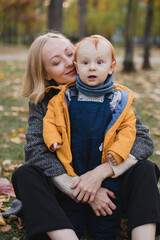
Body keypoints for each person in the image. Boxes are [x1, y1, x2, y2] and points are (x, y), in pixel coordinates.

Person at [11, 32, 160, 240]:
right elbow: (36, 151)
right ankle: (65, 236)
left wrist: (100, 174)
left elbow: (142, 140)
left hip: (111, 187)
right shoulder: (44, 102)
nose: (69, 63)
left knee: (146, 169)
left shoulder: (112, 93)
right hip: (64, 191)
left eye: (69, 54)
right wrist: (82, 190)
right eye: (56, 62)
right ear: (46, 74)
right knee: (25, 174)